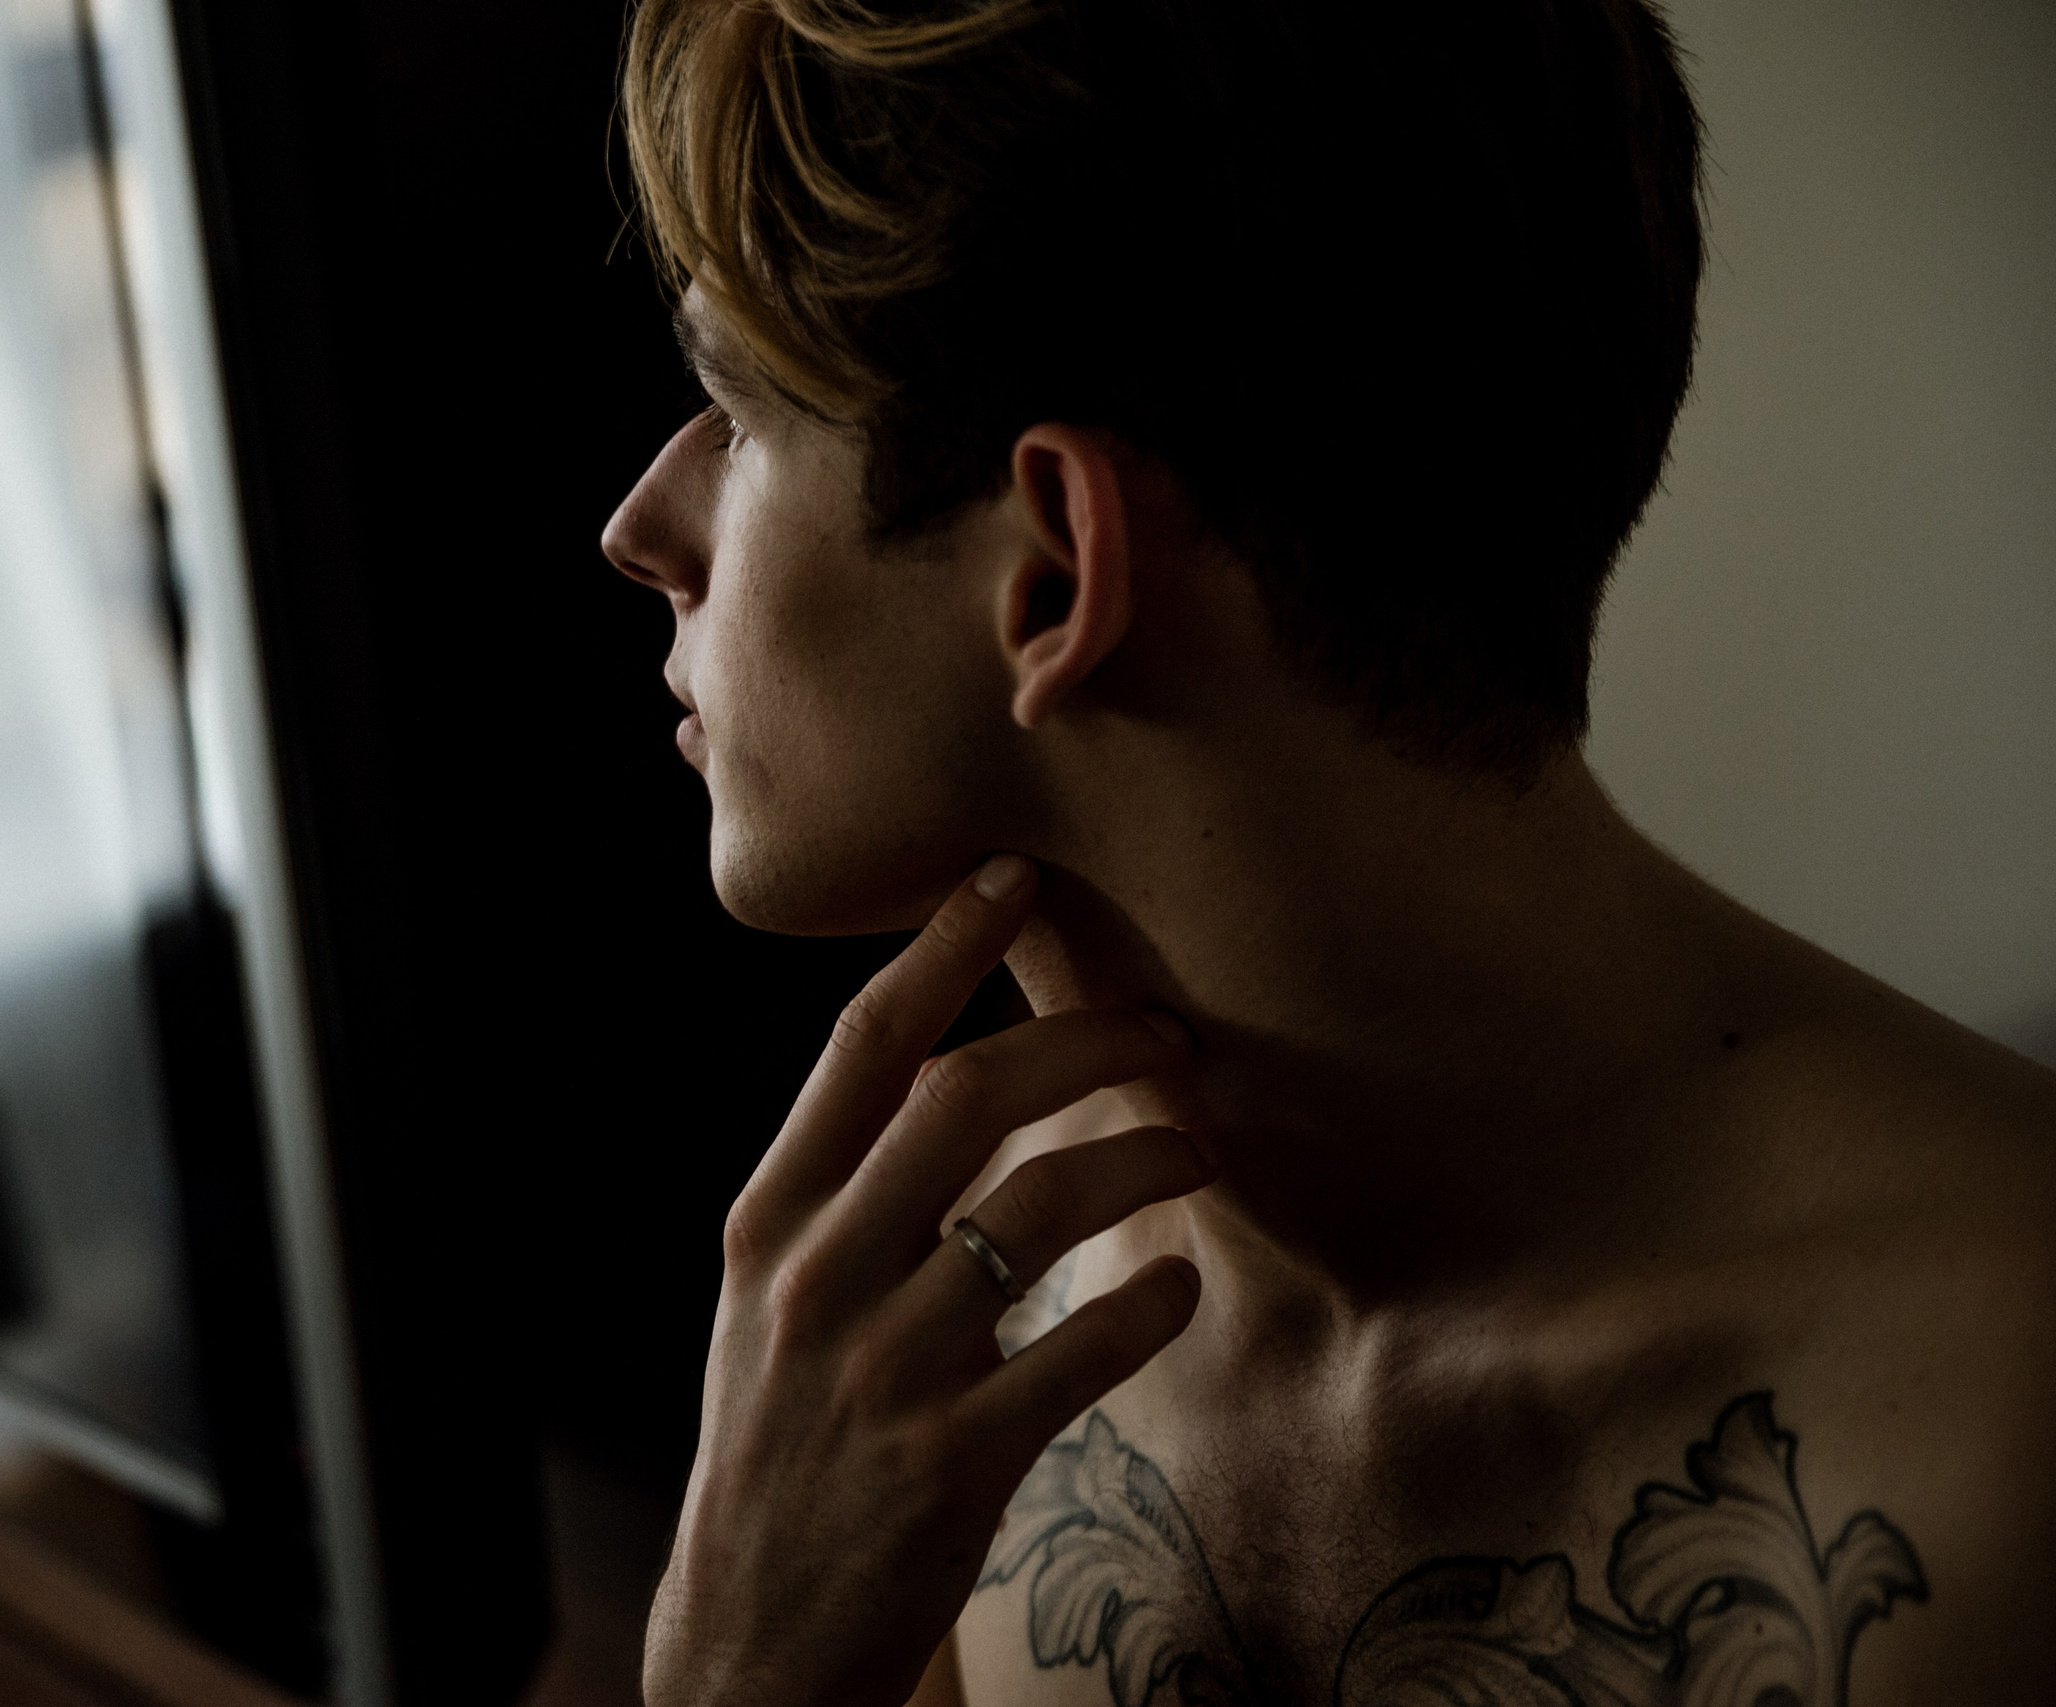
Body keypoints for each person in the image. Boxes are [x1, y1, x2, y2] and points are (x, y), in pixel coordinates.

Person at [595, 0, 2056, 1702]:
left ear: (1056, 570)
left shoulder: (2012, 1428)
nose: (639, 529)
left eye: (737, 415)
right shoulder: (899, 1369)